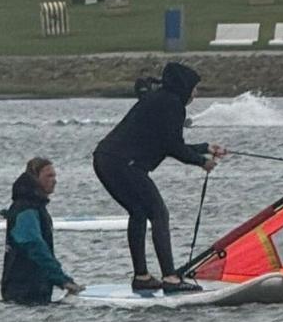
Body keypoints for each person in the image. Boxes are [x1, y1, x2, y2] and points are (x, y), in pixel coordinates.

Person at [92, 63, 226, 293]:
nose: (196, 94)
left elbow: (166, 143)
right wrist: (202, 162)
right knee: (159, 213)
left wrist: (205, 148)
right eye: (195, 88)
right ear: (184, 86)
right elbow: (172, 146)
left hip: (106, 159)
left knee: (139, 212)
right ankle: (171, 278)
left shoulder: (161, 100)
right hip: (123, 164)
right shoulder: (172, 104)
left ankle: (142, 276)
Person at [2, 158, 86, 304]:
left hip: (29, 291)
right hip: (24, 293)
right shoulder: (27, 209)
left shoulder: (30, 206)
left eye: (55, 176)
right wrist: (63, 280)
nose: (54, 181)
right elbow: (34, 245)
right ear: (35, 178)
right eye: (49, 176)